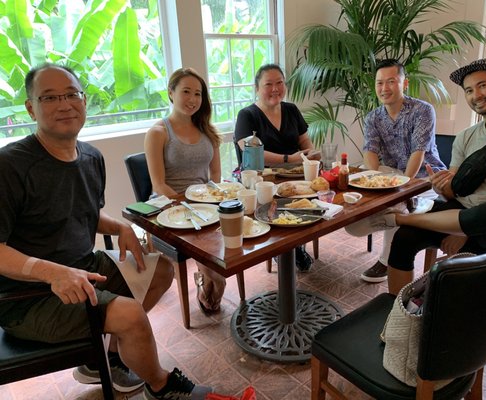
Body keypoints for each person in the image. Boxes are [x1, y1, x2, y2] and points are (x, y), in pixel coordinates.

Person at [0, 63, 212, 400]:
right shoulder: (10, 165)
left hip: (84, 267)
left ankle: (111, 357)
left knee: (160, 270)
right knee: (129, 314)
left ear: (84, 100)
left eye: (72, 94)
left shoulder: (90, 156)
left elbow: (85, 211)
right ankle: (162, 386)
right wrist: (50, 272)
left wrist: (119, 225)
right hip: (30, 296)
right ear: (31, 107)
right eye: (50, 97)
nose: (65, 104)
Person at [365, 58, 486, 294]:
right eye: (469, 90)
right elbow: (456, 190)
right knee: (404, 239)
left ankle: (399, 218)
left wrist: (463, 231)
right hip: (463, 215)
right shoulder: (465, 137)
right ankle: (396, 312)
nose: (476, 95)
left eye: (483, 86)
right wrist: (442, 186)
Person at [345, 59, 446, 283]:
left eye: (391, 81)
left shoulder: (422, 110)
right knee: (361, 174)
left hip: (424, 178)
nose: (384, 88)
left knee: (397, 202)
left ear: (404, 83)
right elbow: (370, 151)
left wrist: (400, 188)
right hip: (392, 173)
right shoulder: (373, 117)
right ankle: (387, 214)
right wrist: (373, 180)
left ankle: (386, 260)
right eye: (379, 82)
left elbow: (418, 153)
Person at [144, 67, 226, 314]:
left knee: (226, 262)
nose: (192, 99)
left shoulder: (208, 131)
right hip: (171, 209)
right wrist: (190, 207)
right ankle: (205, 278)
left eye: (198, 94)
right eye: (186, 92)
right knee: (217, 272)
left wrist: (211, 202)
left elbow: (216, 177)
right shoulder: (158, 133)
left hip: (205, 207)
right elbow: (158, 185)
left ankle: (205, 277)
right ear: (171, 93)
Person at [234, 63, 319, 271]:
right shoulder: (247, 115)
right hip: (262, 179)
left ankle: (294, 244)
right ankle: (284, 247)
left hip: (295, 176)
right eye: (268, 84)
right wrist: (288, 159)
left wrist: (310, 155)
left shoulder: (291, 109)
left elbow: (305, 142)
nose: (275, 89)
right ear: (257, 88)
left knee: (312, 197)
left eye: (279, 83)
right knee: (275, 200)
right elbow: (251, 152)